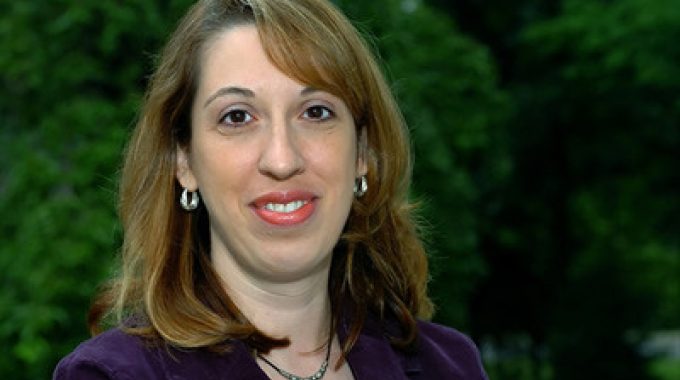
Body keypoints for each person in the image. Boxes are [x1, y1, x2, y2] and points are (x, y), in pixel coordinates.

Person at [53, 0, 488, 379]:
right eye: (238, 117)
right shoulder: (113, 375)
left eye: (315, 112)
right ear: (184, 160)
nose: (282, 160)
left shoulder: (449, 365)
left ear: (363, 153)